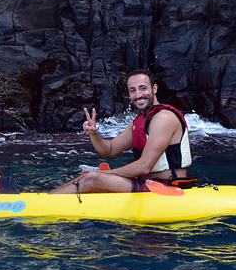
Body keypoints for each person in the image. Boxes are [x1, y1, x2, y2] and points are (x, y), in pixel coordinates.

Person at [50, 69, 191, 194]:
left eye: (143, 88)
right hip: (148, 182)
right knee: (88, 176)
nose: (138, 95)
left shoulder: (163, 118)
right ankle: (47, 200)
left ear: (154, 89)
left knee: (91, 177)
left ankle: (44, 205)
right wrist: (94, 133)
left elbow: (144, 166)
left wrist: (103, 174)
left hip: (167, 186)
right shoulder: (140, 121)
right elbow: (109, 150)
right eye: (133, 90)